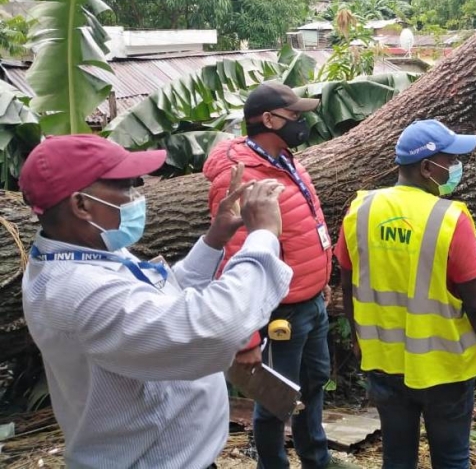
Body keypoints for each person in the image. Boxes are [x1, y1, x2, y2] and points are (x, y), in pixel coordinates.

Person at [20, 134, 292, 469]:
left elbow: (162, 303)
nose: (137, 196)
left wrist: (214, 239)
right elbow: (214, 328)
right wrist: (263, 237)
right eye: (126, 186)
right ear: (81, 205)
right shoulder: (78, 290)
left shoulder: (89, 251)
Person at [336, 119, 476, 469]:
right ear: (427, 167)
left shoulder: (361, 210)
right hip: (444, 369)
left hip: (384, 361)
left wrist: (357, 336)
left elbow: (347, 283)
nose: (456, 168)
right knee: (451, 459)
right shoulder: (449, 219)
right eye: (451, 161)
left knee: (397, 458)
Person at [204, 82, 355, 469]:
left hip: (309, 303)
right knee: (276, 400)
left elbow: (304, 230)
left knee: (314, 385)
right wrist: (246, 337)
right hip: (277, 314)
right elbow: (235, 258)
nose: (302, 123)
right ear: (268, 119)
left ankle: (315, 459)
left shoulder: (286, 160)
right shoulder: (239, 177)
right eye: (295, 116)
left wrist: (319, 283)